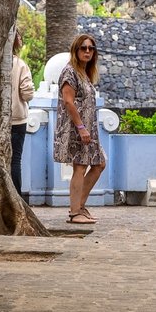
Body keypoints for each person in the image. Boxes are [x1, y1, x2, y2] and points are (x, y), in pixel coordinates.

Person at [55, 34, 107, 225]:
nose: (87, 51)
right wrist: (81, 127)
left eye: (91, 48)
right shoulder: (70, 72)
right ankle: (75, 212)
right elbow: (68, 101)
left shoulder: (84, 72)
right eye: (83, 48)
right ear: (75, 50)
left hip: (88, 129)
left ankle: (79, 206)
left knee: (99, 164)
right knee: (80, 167)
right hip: (77, 129)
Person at [8, 33, 35, 195]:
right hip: (17, 120)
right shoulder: (19, 65)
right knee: (15, 160)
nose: (21, 39)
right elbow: (27, 94)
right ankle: (16, 196)